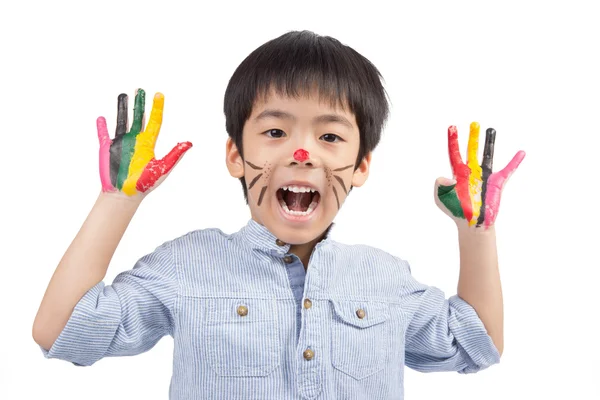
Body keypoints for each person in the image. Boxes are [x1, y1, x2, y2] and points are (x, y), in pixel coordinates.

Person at [32, 30, 524, 399]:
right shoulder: (187, 263)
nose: (303, 153)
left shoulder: (385, 277)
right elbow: (63, 332)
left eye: (329, 137)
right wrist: (118, 200)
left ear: (361, 166)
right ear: (234, 155)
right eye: (275, 133)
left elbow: (475, 344)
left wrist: (476, 230)